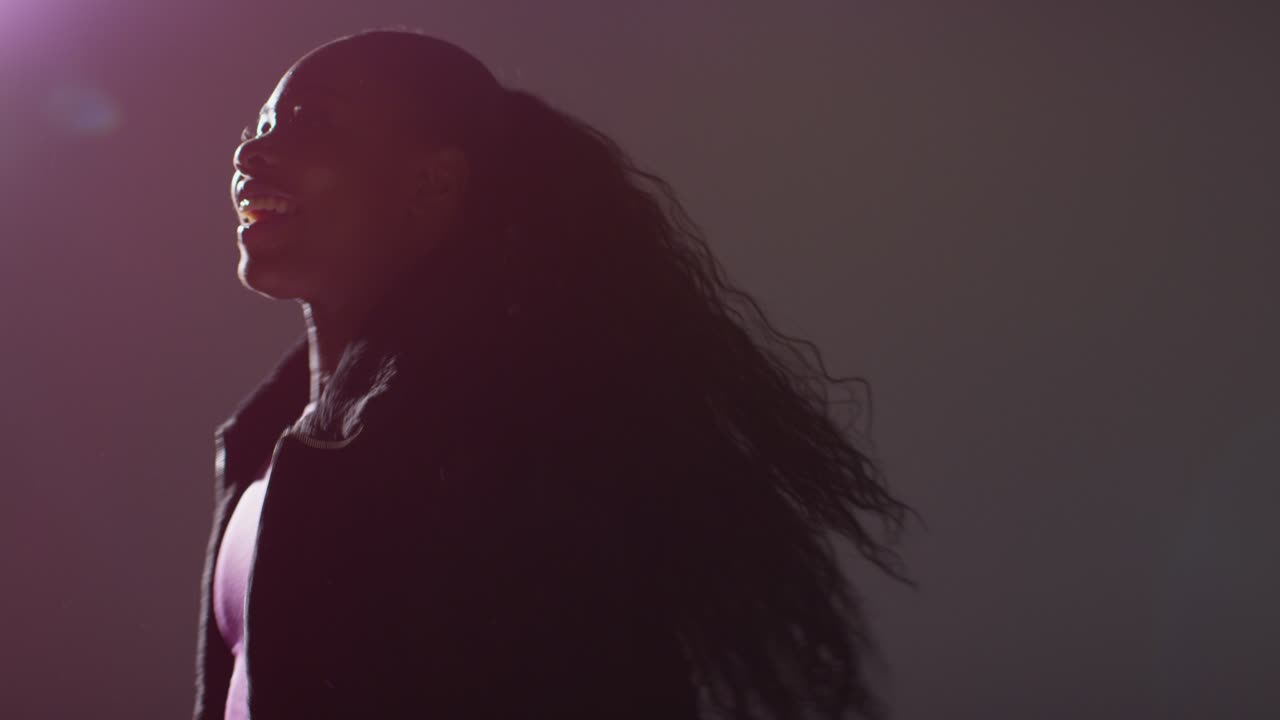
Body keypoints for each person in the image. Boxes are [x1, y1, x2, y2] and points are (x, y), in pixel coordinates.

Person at [193, 27, 918, 720]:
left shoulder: (495, 447)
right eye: (258, 126)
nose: (252, 153)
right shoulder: (271, 445)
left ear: (431, 182)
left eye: (309, 121)